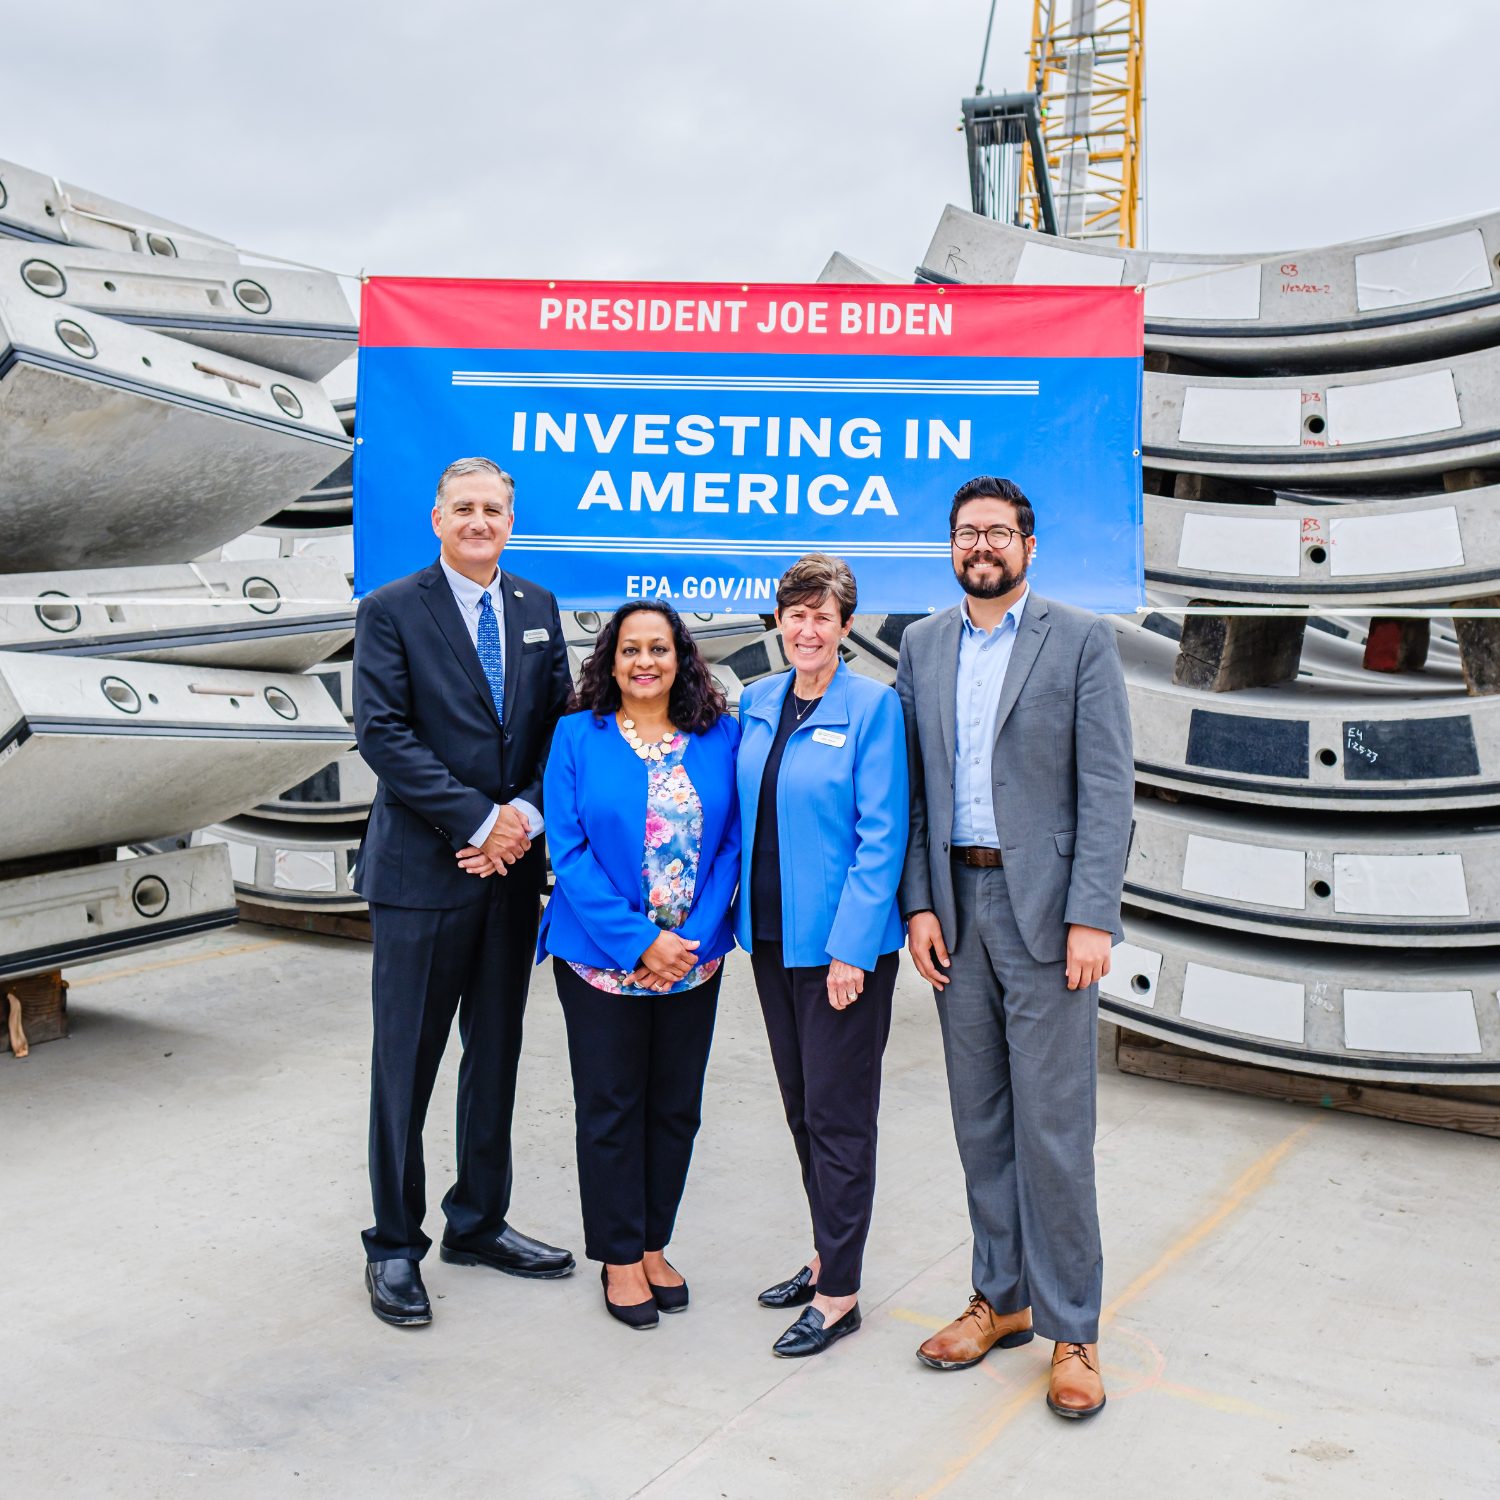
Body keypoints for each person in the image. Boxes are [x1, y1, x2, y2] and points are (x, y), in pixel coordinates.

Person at [895, 476, 1133, 1417]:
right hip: (956, 907)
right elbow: (914, 791)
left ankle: (1074, 1330)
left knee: (1054, 1132)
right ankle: (1001, 1300)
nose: (980, 545)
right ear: (950, 549)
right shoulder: (922, 644)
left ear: (1030, 546)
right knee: (981, 1121)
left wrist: (1092, 915)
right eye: (965, 533)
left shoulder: (1080, 639)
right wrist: (919, 905)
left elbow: (1108, 788)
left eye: (997, 532)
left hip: (1046, 914)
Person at [352, 456, 576, 1327]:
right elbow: (383, 734)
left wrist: (521, 817)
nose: (479, 521)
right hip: (421, 875)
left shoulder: (535, 608)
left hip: (511, 871)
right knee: (405, 1065)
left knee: (496, 1055)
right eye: (464, 509)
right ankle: (394, 1246)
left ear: (509, 521)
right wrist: (479, 823)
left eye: (493, 509)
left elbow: (560, 723)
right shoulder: (391, 611)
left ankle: (479, 1221)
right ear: (436, 519)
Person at [539, 600, 741, 1331]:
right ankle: (619, 1257)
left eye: (659, 648)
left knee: (674, 1109)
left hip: (694, 958)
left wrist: (688, 937)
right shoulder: (575, 737)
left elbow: (730, 849)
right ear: (611, 660)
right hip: (600, 961)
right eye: (631, 650)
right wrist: (638, 943)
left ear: (681, 657)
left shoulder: (720, 734)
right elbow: (568, 851)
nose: (645, 661)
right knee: (612, 1107)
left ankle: (655, 1243)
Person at [734, 553, 909, 1359]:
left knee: (839, 1119)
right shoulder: (760, 701)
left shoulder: (874, 707)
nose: (807, 629)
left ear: (845, 626)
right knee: (803, 1109)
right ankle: (822, 1254)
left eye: (823, 616)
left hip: (840, 953)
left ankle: (840, 1295)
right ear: (779, 621)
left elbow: (883, 838)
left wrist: (852, 951)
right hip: (770, 940)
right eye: (795, 614)